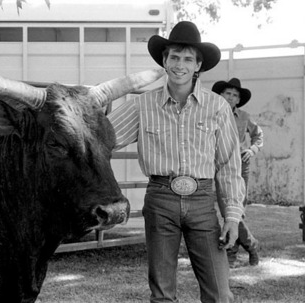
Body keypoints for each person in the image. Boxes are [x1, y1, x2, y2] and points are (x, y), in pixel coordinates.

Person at [108, 21, 245, 303]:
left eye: (187, 59)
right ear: (164, 60)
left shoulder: (217, 106)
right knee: (162, 295)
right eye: (174, 57)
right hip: (160, 199)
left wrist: (232, 216)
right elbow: (103, 137)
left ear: (198, 65)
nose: (179, 65)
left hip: (203, 202)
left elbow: (230, 166)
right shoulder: (141, 105)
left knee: (220, 293)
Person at [212, 78, 264, 267]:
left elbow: (259, 136)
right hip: (216, 164)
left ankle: (233, 253)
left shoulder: (244, 116)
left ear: (238, 100)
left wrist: (252, 150)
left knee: (236, 210)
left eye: (235, 95)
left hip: (240, 165)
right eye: (228, 93)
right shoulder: (211, 113)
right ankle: (251, 245)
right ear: (220, 95)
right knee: (224, 209)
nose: (231, 97)